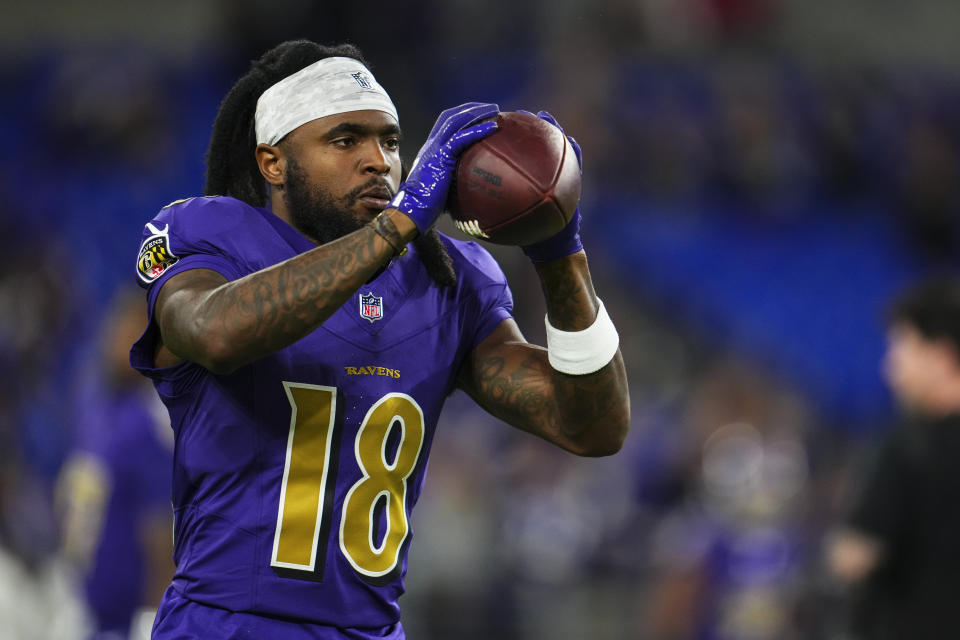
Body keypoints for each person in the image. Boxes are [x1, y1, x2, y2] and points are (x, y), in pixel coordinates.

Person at [129, 39, 630, 639]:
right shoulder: (210, 235)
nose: (378, 161)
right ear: (273, 163)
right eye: (346, 141)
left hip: (372, 630)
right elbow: (213, 331)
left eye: (390, 141)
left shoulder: (447, 279)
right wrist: (401, 222)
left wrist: (559, 254)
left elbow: (591, 427)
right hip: (230, 625)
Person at [826, 277, 960, 639]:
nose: (891, 369)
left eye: (902, 349)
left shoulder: (906, 448)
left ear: (942, 356)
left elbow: (854, 557)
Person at [57, 288, 174, 639]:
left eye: (134, 329)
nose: (120, 338)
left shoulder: (149, 425)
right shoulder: (93, 408)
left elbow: (158, 535)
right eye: (118, 325)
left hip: (128, 617)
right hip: (81, 603)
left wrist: (154, 618)